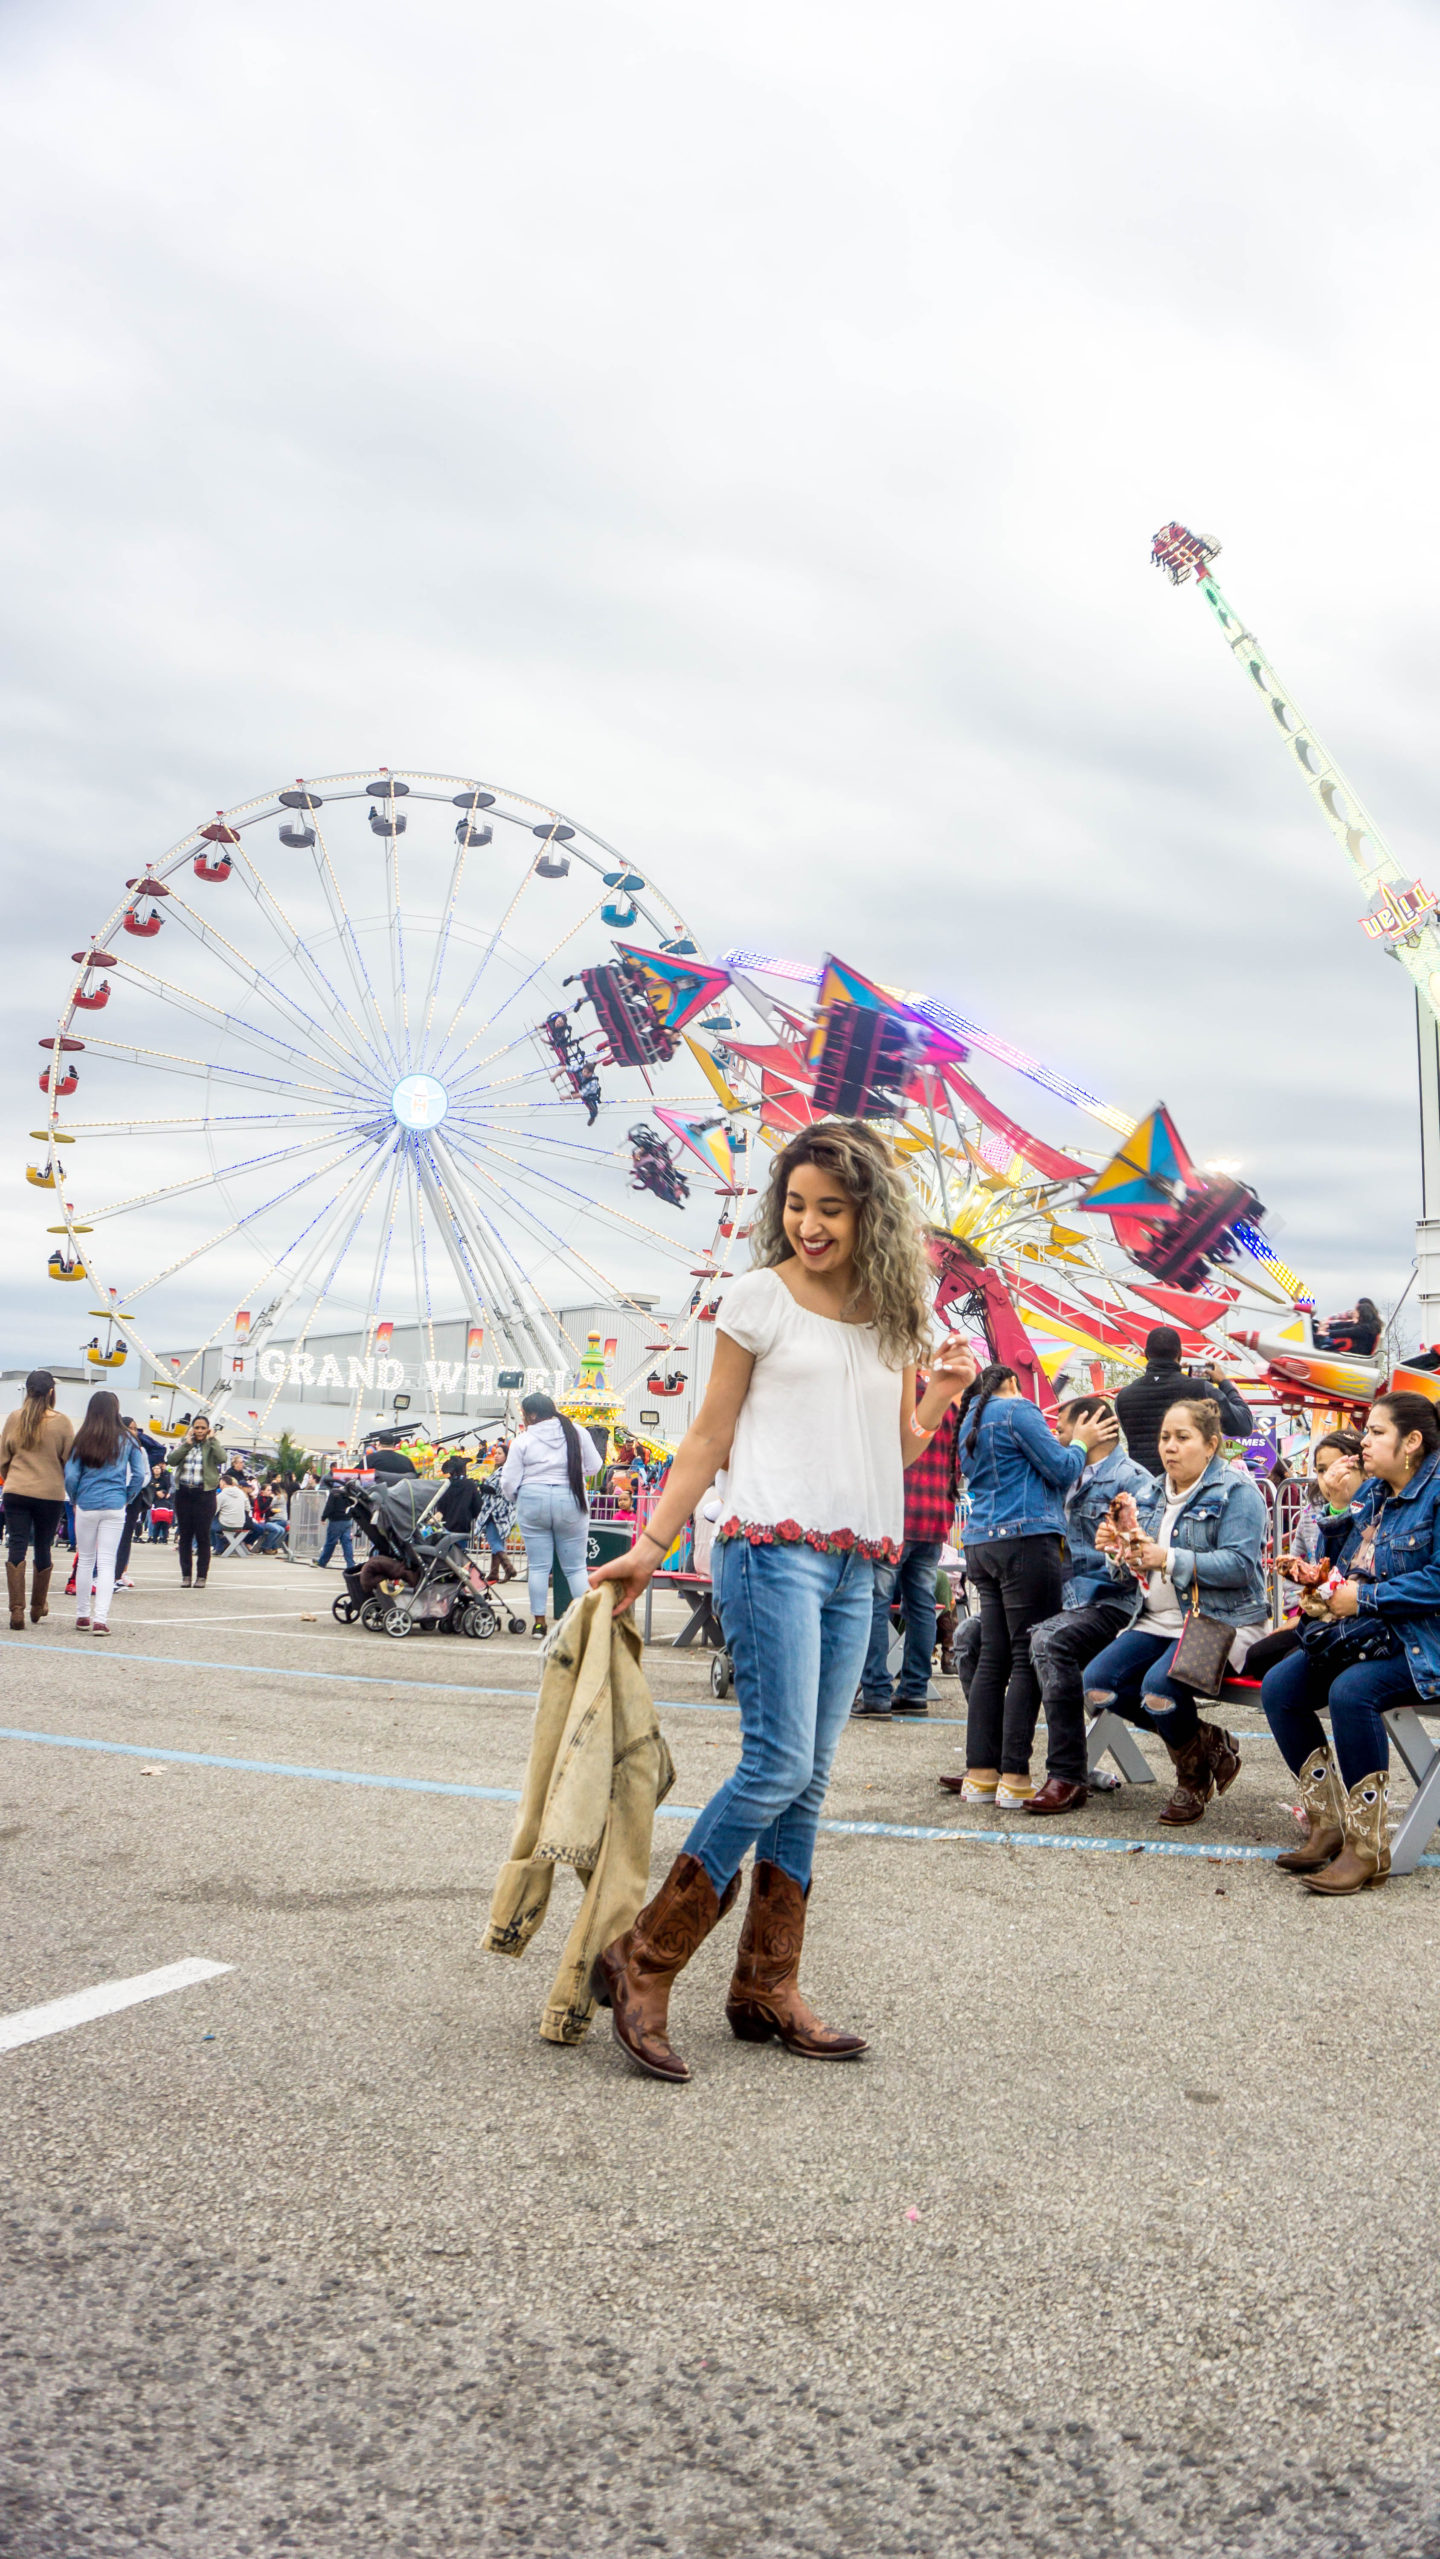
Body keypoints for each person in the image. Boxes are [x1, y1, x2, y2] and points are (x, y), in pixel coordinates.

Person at [588, 1118, 978, 2084]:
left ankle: (767, 1984)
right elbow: (707, 1437)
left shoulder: (895, 1317)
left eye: (830, 1209)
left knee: (810, 1776)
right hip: (771, 1549)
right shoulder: (757, 1298)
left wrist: (939, 1397)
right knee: (774, 1765)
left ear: (870, 1215)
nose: (809, 1224)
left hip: (862, 1563)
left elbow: (893, 1450)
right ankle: (643, 1956)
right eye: (796, 1204)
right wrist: (649, 1545)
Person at [1260, 1392, 1440, 1893]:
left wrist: (1363, 1598)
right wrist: (1338, 1509)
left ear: (1413, 1442)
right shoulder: (1377, 1492)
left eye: (1377, 1432)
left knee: (1351, 1692)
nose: (1364, 1441)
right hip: (1373, 1635)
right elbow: (1338, 1562)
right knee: (1280, 1687)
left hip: (1426, 1643)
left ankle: (1367, 1847)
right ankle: (1328, 1822)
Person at [1081, 1397, 1268, 1825]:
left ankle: (1191, 1781)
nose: (1169, 1446)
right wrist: (1119, 1553)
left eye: (1183, 1438)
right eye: (1165, 1437)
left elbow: (1240, 1567)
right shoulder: (1148, 1492)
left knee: (1158, 1690)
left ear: (1211, 1445)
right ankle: (1206, 1743)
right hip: (1154, 1620)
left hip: (1220, 1620)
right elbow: (1138, 1567)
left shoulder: (1238, 1491)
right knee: (1097, 1686)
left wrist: (1167, 1558)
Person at [952, 1365, 1121, 1806]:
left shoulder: (970, 1416)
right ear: (1013, 1381)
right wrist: (1081, 1442)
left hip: (981, 1542)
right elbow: (1064, 1468)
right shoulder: (1017, 1408)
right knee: (1027, 1655)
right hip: (1025, 1541)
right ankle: (1013, 1776)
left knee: (993, 1654)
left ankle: (980, 1774)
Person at [1003, 1394, 1159, 1816]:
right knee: (973, 1637)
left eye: (1062, 1428)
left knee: (1049, 1640)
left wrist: (1117, 1551)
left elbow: (1140, 1569)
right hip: (1059, 1599)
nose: (1055, 1436)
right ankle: (1003, 1765)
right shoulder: (1056, 1474)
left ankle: (1067, 1775)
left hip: (1111, 1602)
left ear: (1092, 1426)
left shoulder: (1134, 1481)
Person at [854, 1376, 962, 1719]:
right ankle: (915, 1690)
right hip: (933, 1519)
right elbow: (957, 1466)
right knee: (922, 1606)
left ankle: (875, 1692)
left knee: (876, 1605)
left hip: (892, 1517)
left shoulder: (887, 1394)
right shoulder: (947, 1403)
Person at [1244, 1431, 1366, 1682]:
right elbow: (1306, 1566)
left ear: (1363, 1470)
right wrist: (1298, 1614)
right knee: (1258, 1657)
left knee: (1288, 1674)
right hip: (1317, 1613)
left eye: (1339, 1468)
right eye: (1321, 1470)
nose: (1329, 1479)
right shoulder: (1312, 1514)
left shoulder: (1374, 1511)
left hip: (1356, 1618)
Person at [500, 1394, 603, 1638]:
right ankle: (589, 1623)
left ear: (532, 1415)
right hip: (570, 1497)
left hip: (533, 1498)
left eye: (524, 1414)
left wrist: (517, 1498)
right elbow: (595, 1466)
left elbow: (508, 1482)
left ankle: (538, 1624)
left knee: (538, 1567)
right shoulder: (577, 1432)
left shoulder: (523, 1440)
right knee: (576, 1568)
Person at [1114, 1327, 1253, 1479]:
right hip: (1189, 1489)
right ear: (1179, 1354)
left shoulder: (1123, 1397)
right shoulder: (1199, 1389)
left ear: (1146, 1354)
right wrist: (1224, 1383)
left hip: (1142, 1489)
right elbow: (1244, 1424)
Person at [65, 1389, 149, 1636]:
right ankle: (101, 1619)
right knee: (107, 1562)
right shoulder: (128, 1439)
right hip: (115, 1504)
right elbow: (140, 1475)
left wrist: (76, 1497)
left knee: (86, 1559)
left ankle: (82, 1615)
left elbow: (70, 1475)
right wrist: (127, 1496)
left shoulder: (82, 1438)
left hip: (87, 1504)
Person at [0, 1370, 74, 1628]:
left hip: (16, 1489)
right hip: (49, 1493)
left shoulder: (14, 1418)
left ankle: (16, 1610)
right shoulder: (62, 1422)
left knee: (17, 1543)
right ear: (52, 1392)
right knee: (43, 1545)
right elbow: (69, 1461)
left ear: (28, 1390)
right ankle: (37, 1605)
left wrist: (13, 1479)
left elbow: (3, 1458)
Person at [172, 1415, 226, 1587]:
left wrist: (212, 1440)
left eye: (203, 1428)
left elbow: (222, 1458)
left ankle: (201, 1575)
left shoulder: (211, 1444)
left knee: (203, 1536)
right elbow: (171, 1460)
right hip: (184, 1493)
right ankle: (186, 1575)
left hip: (205, 1494)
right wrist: (187, 1443)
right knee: (185, 1536)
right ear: (192, 1428)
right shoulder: (185, 1443)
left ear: (208, 1429)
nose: (200, 1431)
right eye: (197, 1427)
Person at [1315, 1298, 1383, 1358]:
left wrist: (1327, 1333)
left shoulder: (1365, 1329)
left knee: (1322, 1341)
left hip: (1356, 1353)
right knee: (1326, 1339)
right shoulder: (1367, 1325)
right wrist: (1329, 1325)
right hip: (1354, 1350)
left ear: (1362, 1314)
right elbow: (1347, 1324)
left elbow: (1347, 1332)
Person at [314, 1477, 357, 1570]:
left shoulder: (334, 1493)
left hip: (336, 1520)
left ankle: (322, 1562)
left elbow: (329, 1506)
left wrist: (323, 1517)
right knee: (347, 1543)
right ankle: (350, 1564)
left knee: (330, 1542)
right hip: (347, 1520)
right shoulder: (350, 1494)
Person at [211, 1467, 251, 1556]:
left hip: (227, 1524)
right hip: (240, 1524)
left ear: (223, 1483)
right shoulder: (241, 1493)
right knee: (218, 1523)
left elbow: (213, 1511)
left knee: (211, 1524)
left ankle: (216, 1547)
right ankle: (220, 1546)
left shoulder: (221, 1495)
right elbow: (247, 1508)